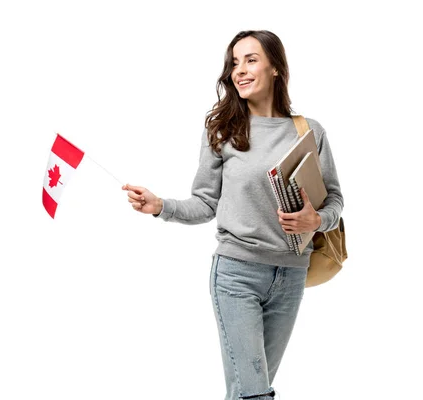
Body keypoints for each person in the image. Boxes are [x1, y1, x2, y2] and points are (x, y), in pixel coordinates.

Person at [122, 30, 343, 400]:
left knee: (243, 391)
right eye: (234, 63)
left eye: (251, 59)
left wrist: (316, 221)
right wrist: (161, 206)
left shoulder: (308, 131)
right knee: (255, 392)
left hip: (291, 276)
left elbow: (334, 199)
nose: (239, 70)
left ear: (275, 67)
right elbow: (205, 204)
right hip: (236, 275)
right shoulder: (222, 131)